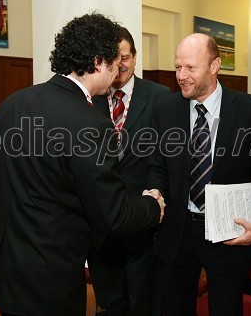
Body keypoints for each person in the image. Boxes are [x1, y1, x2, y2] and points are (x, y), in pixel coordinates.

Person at [0, 13, 165, 316]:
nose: (119, 70)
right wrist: (152, 207)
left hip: (8, 268)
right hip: (52, 278)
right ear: (97, 61)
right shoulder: (91, 124)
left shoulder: (15, 103)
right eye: (114, 62)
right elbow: (113, 216)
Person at [147, 33, 251, 316]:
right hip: (177, 231)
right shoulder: (165, 109)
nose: (181, 76)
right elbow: (158, 165)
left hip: (230, 234)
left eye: (190, 68)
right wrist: (154, 191)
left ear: (214, 66)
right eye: (177, 67)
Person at [88, 26, 171, 316]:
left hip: (144, 222)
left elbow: (166, 156)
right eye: (113, 58)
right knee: (111, 302)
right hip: (101, 223)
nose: (120, 65)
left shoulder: (161, 97)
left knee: (144, 302)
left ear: (135, 57)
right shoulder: (90, 97)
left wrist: (155, 199)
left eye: (125, 57)